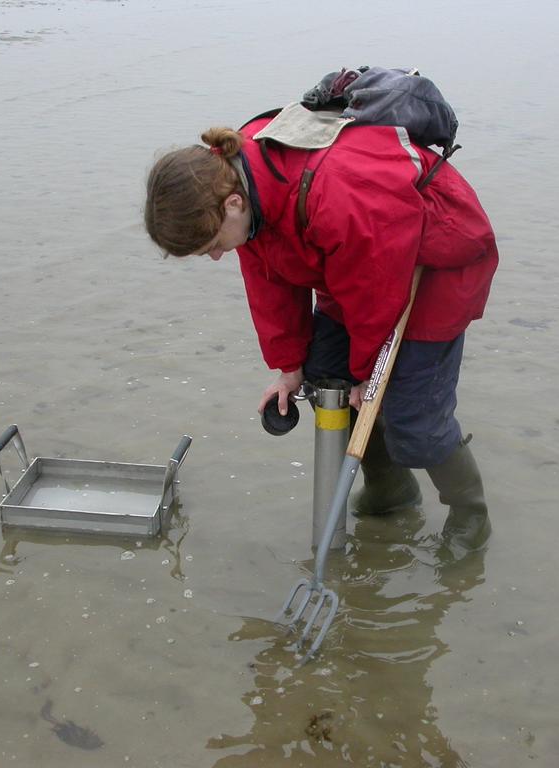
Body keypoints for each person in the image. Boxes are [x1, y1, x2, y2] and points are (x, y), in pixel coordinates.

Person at [144, 112, 499, 553]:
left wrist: (368, 372)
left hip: (432, 265)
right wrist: (289, 367)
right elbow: (268, 274)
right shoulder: (239, 185)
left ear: (232, 205)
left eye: (213, 245)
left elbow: (377, 284)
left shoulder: (332, 191)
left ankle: (470, 515)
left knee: (414, 418)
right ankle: (392, 491)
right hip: (348, 262)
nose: (217, 256)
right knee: (327, 379)